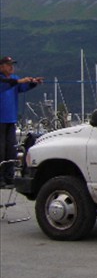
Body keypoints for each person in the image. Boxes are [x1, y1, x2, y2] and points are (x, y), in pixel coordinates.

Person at [0, 56, 44, 187]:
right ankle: (0, 177)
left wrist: (33, 82)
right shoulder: (5, 80)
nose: (11, 67)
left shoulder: (14, 79)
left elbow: (22, 87)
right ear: (1, 66)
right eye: (8, 65)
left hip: (11, 119)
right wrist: (19, 81)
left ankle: (9, 176)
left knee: (11, 149)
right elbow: (8, 84)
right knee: (0, 150)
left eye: (12, 64)